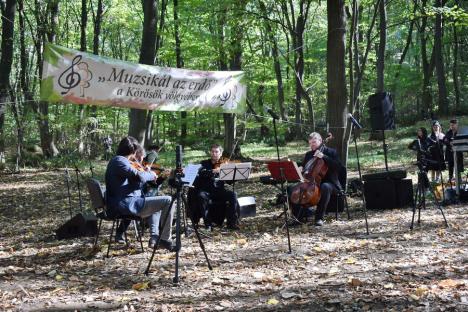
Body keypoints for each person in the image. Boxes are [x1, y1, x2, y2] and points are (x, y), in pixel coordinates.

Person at [105, 136, 176, 251]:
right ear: (133, 151)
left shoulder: (119, 161)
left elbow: (135, 181)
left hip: (125, 202)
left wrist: (150, 175)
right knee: (168, 200)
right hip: (125, 204)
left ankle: (155, 237)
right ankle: (164, 239)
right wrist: (152, 174)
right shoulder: (120, 161)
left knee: (157, 202)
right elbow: (140, 176)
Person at [290, 132, 344, 226]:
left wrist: (324, 157)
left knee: (325, 186)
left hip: (330, 184)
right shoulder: (309, 154)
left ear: (321, 141)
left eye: (314, 142)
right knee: (291, 189)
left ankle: (319, 218)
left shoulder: (331, 152)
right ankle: (298, 218)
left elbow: (338, 167)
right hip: (311, 183)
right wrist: (301, 168)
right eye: (310, 143)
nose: (312, 145)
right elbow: (305, 167)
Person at [189, 144, 240, 230]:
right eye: (212, 151)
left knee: (233, 194)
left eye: (216, 152)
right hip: (206, 191)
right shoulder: (204, 163)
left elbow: (229, 182)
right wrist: (213, 171)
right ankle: (208, 224)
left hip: (219, 191)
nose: (214, 154)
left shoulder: (224, 164)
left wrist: (234, 176)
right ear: (210, 152)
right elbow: (202, 173)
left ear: (220, 153)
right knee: (201, 195)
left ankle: (232, 223)